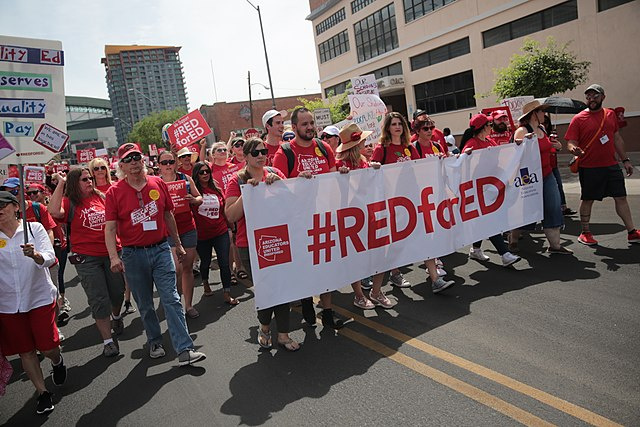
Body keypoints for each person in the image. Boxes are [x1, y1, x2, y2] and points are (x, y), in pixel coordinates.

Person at [104, 143, 206, 366]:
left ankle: (185, 349)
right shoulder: (114, 192)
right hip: (133, 254)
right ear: (121, 165)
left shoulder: (158, 183)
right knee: (146, 304)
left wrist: (177, 244)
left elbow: (168, 215)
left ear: (143, 160)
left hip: (160, 249)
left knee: (171, 298)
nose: (134, 163)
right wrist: (114, 257)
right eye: (128, 160)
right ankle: (155, 341)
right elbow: (110, 228)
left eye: (136, 158)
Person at [225, 138, 300, 351]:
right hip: (249, 245)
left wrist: (282, 184)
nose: (260, 155)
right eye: (255, 152)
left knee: (282, 288)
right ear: (246, 156)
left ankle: (283, 335)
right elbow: (231, 215)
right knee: (267, 289)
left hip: (278, 240)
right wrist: (246, 194)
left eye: (263, 151)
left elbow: (294, 202)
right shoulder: (237, 180)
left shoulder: (275, 174)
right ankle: (265, 327)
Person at [272, 107, 344, 329]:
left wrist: (341, 176)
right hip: (298, 222)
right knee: (305, 267)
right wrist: (297, 182)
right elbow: (277, 187)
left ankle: (328, 311)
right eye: (304, 124)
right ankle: (305, 301)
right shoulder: (284, 153)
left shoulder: (324, 148)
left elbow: (332, 181)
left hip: (324, 218)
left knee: (327, 267)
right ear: (293, 128)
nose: (310, 127)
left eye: (311, 123)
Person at [0, 191, 67, 415]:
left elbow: (50, 257)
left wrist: (36, 255)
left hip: (38, 297)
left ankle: (57, 360)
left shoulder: (33, 229)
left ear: (15, 207)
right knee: (25, 351)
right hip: (8, 304)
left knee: (47, 347)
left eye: (2, 205)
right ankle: (42, 393)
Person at [49, 168, 127, 357]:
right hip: (87, 258)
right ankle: (108, 341)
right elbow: (53, 211)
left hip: (112, 253)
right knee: (98, 298)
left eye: (90, 178)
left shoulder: (101, 196)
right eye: (84, 179)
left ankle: (116, 316)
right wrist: (61, 182)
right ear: (75, 183)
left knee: (117, 293)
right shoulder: (70, 203)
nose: (89, 181)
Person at [565, 84, 639, 245]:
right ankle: (585, 232)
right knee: (588, 199)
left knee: (621, 197)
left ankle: (632, 232)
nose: (591, 99)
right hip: (589, 167)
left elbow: (617, 138)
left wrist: (625, 160)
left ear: (603, 97)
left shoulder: (610, 114)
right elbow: (570, 142)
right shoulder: (578, 119)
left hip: (611, 165)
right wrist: (573, 149)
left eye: (595, 96)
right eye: (588, 97)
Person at [509, 101, 573, 254]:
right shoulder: (522, 131)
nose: (544, 114)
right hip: (529, 178)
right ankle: (514, 239)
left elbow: (546, 148)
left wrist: (555, 147)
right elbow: (516, 153)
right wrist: (523, 142)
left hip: (546, 174)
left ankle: (555, 246)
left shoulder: (542, 129)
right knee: (526, 211)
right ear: (533, 115)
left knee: (553, 206)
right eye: (541, 112)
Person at [460, 114, 521, 266]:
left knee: (483, 221)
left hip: (491, 188)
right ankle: (505, 254)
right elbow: (464, 164)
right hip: (478, 191)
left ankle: (475, 249)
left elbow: (502, 154)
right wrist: (466, 156)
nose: (491, 127)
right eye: (489, 125)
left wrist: (516, 145)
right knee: (488, 221)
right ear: (482, 128)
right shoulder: (471, 144)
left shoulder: (489, 141)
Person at [371, 112, 420, 290]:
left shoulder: (410, 147)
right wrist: (373, 166)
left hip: (409, 199)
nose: (397, 127)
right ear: (387, 128)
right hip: (390, 200)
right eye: (393, 124)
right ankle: (395, 273)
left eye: (400, 123)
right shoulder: (381, 148)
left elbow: (421, 168)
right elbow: (371, 173)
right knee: (393, 238)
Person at [334, 123, 380, 309]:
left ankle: (376, 292)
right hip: (349, 218)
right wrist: (339, 175)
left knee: (378, 253)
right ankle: (359, 295)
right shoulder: (338, 165)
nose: (366, 144)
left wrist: (374, 170)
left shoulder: (364, 163)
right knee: (354, 257)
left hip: (368, 214)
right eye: (363, 141)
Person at [157, 150, 203, 318]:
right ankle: (173, 301)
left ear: (176, 163)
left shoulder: (185, 179)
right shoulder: (155, 183)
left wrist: (193, 199)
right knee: (175, 269)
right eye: (164, 163)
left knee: (187, 268)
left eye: (171, 162)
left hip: (188, 229)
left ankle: (188, 306)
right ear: (159, 166)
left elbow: (200, 198)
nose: (168, 165)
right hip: (167, 232)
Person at [89, 157, 135, 314]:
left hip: (120, 234)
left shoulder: (115, 187)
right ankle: (115, 303)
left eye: (102, 167)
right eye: (96, 168)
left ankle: (127, 300)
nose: (100, 171)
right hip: (98, 239)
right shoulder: (89, 191)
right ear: (92, 172)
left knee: (125, 271)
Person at [191, 161, 238, 305]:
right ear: (196, 175)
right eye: (201, 172)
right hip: (202, 235)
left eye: (207, 171)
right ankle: (205, 283)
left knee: (224, 263)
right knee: (205, 263)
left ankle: (226, 292)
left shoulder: (216, 189)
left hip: (221, 231)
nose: (205, 174)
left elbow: (225, 210)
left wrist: (232, 227)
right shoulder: (193, 192)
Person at [543, 114, 575, 216]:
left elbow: (556, 148)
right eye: (542, 123)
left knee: (559, 186)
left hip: (553, 164)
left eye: (546, 123)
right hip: (544, 165)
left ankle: (563, 207)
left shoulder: (551, 135)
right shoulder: (539, 134)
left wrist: (558, 146)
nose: (544, 125)